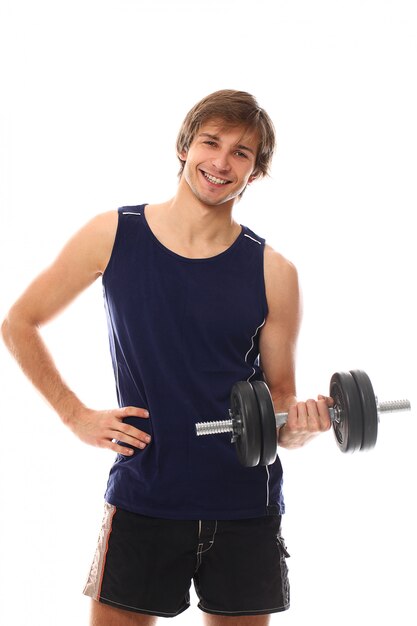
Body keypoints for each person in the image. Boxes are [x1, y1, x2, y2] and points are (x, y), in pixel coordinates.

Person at [2, 89, 332, 626]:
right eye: (211, 142)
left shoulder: (275, 271)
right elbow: (19, 323)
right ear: (184, 146)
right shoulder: (113, 235)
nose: (222, 162)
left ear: (256, 172)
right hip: (145, 496)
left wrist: (304, 426)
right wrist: (73, 414)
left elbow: (280, 404)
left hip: (245, 505)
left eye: (242, 153)